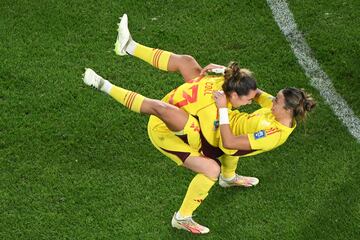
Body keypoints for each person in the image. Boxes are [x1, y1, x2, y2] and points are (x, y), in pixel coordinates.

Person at [83, 14, 316, 234]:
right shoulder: (269, 108)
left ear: (287, 110)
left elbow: (231, 144)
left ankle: (189, 211)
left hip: (220, 138)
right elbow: (254, 95)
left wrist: (224, 105)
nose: (267, 101)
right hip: (170, 129)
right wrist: (228, 73)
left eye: (276, 100)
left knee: (212, 159)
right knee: (185, 70)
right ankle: (124, 53)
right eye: (273, 98)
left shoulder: (271, 131)